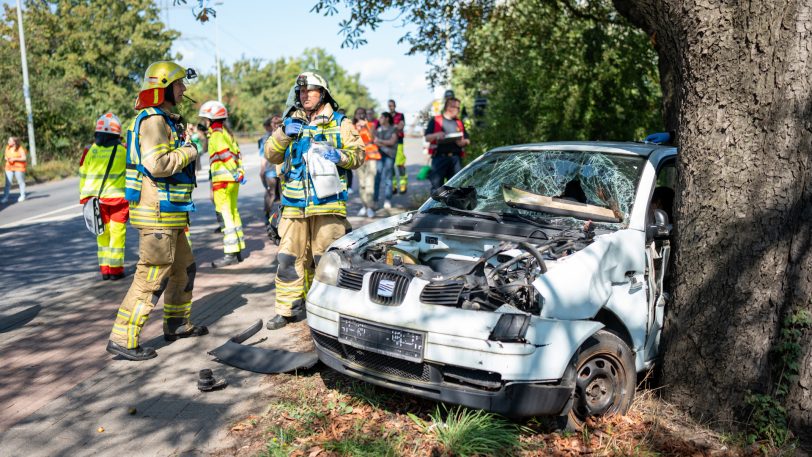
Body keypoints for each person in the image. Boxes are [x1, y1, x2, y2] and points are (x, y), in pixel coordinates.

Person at [106, 61, 207, 361]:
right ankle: (123, 338)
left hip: (171, 212)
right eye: (178, 85)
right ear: (163, 87)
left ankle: (176, 324)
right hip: (157, 215)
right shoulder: (152, 121)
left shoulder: (166, 119)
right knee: (151, 277)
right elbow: (157, 165)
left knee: (184, 269)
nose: (184, 89)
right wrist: (193, 149)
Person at [263, 71, 364, 329]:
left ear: (323, 94)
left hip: (328, 205)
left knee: (325, 260)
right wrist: (284, 133)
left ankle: (326, 311)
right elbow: (272, 155)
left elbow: (359, 156)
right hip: (294, 205)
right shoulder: (290, 121)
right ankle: (286, 310)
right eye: (301, 91)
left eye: (310, 90)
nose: (304, 95)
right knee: (288, 259)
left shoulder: (340, 122)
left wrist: (339, 155)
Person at [79, 113, 128, 280]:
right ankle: (116, 271)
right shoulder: (123, 150)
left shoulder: (89, 151)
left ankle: (105, 271)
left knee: (102, 233)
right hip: (118, 200)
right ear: (117, 133)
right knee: (117, 233)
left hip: (94, 199)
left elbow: (83, 173)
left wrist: (84, 197)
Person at [199, 100, 246, 267]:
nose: (205, 122)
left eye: (206, 119)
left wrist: (233, 171)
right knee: (233, 213)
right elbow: (237, 154)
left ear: (210, 119)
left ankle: (230, 253)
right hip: (233, 181)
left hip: (223, 182)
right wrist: (239, 173)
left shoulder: (217, 135)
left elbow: (225, 156)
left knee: (225, 216)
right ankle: (238, 249)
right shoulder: (227, 133)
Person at [425, 97, 470, 192]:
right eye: (457, 108)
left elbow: (467, 140)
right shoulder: (436, 120)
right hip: (439, 158)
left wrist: (463, 142)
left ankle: (452, 207)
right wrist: (436, 135)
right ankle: (435, 206)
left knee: (456, 188)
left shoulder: (459, 122)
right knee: (437, 188)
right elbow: (427, 137)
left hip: (455, 159)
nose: (458, 110)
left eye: (458, 108)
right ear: (449, 107)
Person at [353, 107, 380, 217]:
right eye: (358, 114)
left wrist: (367, 126)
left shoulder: (371, 125)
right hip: (359, 156)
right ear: (355, 116)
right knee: (362, 183)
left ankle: (370, 207)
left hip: (371, 155)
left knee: (370, 183)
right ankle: (364, 206)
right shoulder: (352, 127)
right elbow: (351, 142)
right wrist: (358, 129)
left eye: (362, 113)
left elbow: (373, 138)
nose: (360, 115)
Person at [259, 115, 282, 227]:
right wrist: (262, 168)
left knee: (283, 195)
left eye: (278, 123)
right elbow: (264, 154)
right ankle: (267, 215)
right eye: (274, 123)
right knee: (271, 193)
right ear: (271, 125)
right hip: (271, 169)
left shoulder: (286, 134)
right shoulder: (266, 137)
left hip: (283, 170)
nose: (276, 125)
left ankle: (282, 217)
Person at [373, 112, 399, 209]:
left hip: (390, 156)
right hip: (379, 155)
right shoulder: (378, 129)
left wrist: (380, 142)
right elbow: (375, 142)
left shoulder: (394, 128)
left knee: (388, 178)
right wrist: (384, 143)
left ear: (387, 118)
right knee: (377, 177)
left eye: (381, 117)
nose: (379, 119)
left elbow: (392, 142)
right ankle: (375, 200)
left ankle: (388, 200)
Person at [387, 99, 408, 195]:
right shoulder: (385, 116)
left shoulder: (400, 115)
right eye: (389, 105)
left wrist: (391, 127)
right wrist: (395, 127)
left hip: (399, 142)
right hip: (389, 143)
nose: (391, 107)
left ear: (395, 106)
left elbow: (401, 127)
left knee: (400, 164)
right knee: (391, 166)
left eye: (392, 105)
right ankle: (394, 186)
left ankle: (403, 185)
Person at [3, 137, 27, 203]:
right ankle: (5, 197)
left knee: (20, 182)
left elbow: (24, 158)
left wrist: (15, 159)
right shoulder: (7, 147)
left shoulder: (20, 148)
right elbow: (5, 156)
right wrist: (7, 158)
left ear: (14, 142)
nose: (8, 142)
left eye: (9, 140)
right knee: (8, 183)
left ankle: (22, 195)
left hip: (18, 168)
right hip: (9, 167)